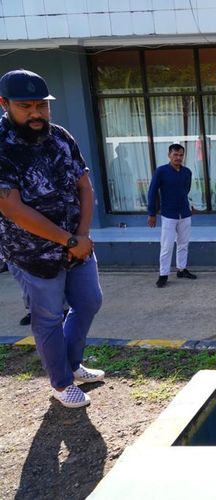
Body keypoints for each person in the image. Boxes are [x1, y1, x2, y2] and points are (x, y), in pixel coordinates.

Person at [0, 69, 105, 408]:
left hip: (77, 245)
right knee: (47, 318)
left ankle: (72, 366)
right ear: (4, 104)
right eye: (26, 106)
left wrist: (82, 236)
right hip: (32, 255)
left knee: (89, 301)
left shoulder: (60, 137)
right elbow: (12, 208)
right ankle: (61, 384)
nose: (36, 114)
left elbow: (84, 187)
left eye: (41, 106)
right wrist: (68, 240)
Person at [147, 143, 197, 288]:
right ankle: (163, 274)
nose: (178, 158)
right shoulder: (161, 171)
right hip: (169, 214)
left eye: (181, 155)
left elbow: (186, 191)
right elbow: (152, 192)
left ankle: (182, 269)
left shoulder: (187, 172)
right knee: (167, 245)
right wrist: (152, 213)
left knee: (183, 243)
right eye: (175, 155)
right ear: (169, 155)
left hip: (185, 213)